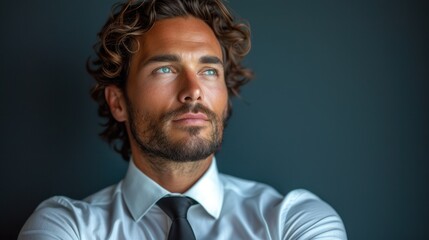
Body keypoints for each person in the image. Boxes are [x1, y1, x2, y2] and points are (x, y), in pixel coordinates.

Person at [19, 0, 347, 239]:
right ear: (118, 103)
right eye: (165, 69)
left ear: (226, 100)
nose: (193, 91)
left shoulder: (296, 222)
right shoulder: (64, 227)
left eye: (208, 71)